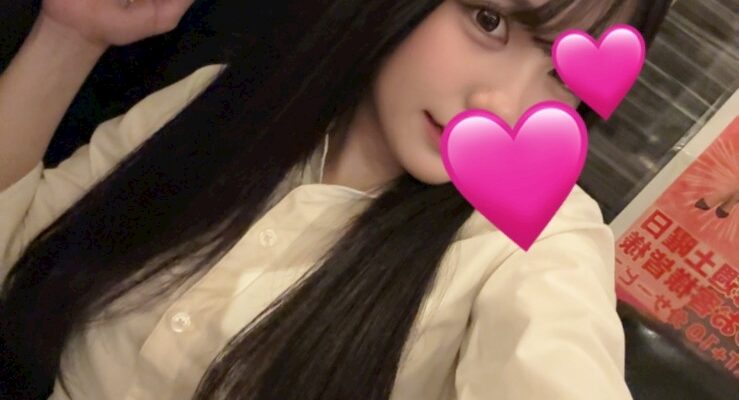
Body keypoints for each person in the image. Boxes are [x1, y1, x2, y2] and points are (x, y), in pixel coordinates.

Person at [0, 0, 672, 399]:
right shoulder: (226, 103)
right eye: (488, 20)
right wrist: (71, 35)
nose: (501, 106)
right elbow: (20, 254)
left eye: (561, 75)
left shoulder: (534, 242)